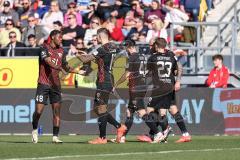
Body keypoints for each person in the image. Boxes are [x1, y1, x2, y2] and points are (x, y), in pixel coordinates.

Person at [31, 30, 85, 144]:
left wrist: (78, 71)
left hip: (56, 85)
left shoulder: (62, 51)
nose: (61, 39)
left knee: (56, 112)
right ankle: (35, 129)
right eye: (59, 37)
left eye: (62, 37)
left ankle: (55, 137)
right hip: (43, 83)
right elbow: (47, 61)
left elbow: (66, 66)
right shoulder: (44, 48)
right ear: (52, 37)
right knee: (38, 111)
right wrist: (58, 67)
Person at [76, 28, 127, 144]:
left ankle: (102, 137)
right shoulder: (113, 46)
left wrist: (77, 54)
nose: (96, 39)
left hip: (104, 81)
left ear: (100, 37)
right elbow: (100, 60)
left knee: (101, 108)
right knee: (98, 108)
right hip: (107, 79)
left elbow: (88, 58)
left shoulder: (103, 48)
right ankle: (119, 126)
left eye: (96, 37)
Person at [144, 38, 191, 143]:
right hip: (169, 86)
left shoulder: (153, 57)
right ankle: (184, 133)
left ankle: (162, 132)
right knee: (172, 109)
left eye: (151, 45)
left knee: (151, 110)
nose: (150, 47)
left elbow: (147, 73)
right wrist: (177, 80)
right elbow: (177, 68)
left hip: (159, 87)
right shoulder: (171, 56)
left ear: (156, 46)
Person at [112, 40, 148, 143]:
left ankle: (157, 132)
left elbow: (127, 74)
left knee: (141, 112)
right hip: (142, 85)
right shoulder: (143, 57)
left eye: (126, 49)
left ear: (129, 47)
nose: (126, 51)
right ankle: (123, 136)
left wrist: (117, 84)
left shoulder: (132, 57)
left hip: (136, 88)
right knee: (129, 111)